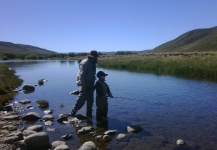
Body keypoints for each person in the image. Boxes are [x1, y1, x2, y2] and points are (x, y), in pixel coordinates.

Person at [70, 50, 99, 117]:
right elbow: (81, 76)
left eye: (97, 57)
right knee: (82, 98)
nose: (97, 58)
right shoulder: (85, 63)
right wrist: (83, 86)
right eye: (96, 57)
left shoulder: (93, 63)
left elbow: (92, 74)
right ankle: (73, 112)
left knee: (90, 99)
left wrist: (92, 84)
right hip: (82, 83)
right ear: (92, 57)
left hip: (90, 83)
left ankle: (89, 114)